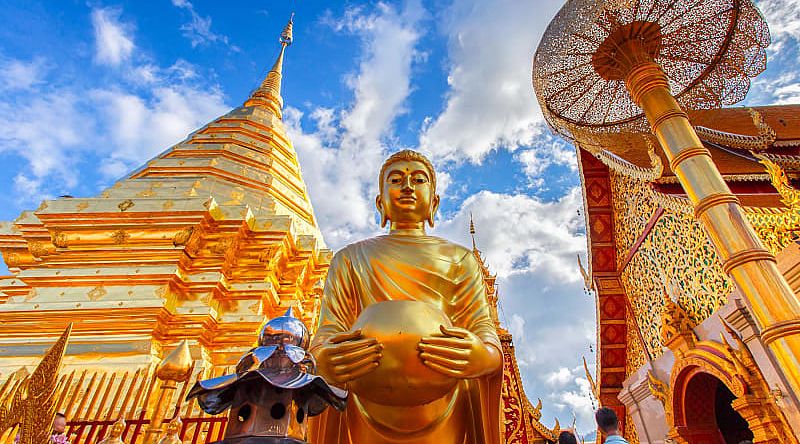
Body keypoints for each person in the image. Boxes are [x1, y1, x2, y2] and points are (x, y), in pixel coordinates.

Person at [308, 150, 503, 444]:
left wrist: (484, 356)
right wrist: (324, 358)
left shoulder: (459, 260)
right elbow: (329, 329)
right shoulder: (350, 258)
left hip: (445, 405)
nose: (408, 186)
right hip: (364, 407)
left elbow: (481, 327)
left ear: (434, 203)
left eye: (419, 179)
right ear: (380, 202)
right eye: (396, 179)